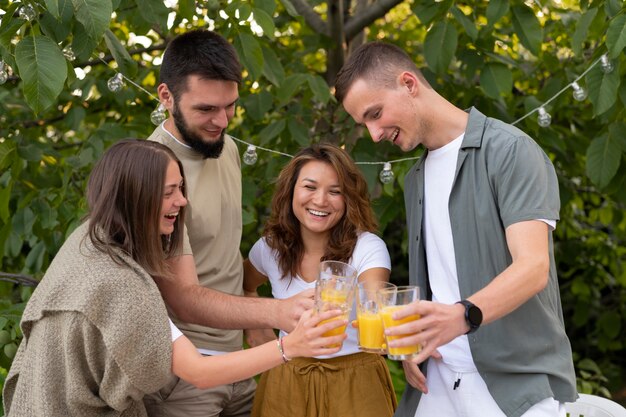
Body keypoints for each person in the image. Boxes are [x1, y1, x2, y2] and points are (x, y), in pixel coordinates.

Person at [2, 139, 346, 417]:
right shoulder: (120, 284)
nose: (182, 201)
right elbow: (198, 372)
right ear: (134, 196)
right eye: (169, 192)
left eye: (181, 188)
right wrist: (291, 346)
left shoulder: (88, 238)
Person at [334, 42, 577, 417]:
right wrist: (418, 340)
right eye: (364, 123)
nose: (374, 134)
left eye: (375, 114)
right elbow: (438, 284)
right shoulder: (415, 178)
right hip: (436, 382)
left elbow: (532, 269)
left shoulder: (510, 151)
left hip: (515, 387)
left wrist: (462, 316)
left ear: (409, 83)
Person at [144, 30, 314, 416]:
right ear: (166, 96)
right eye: (206, 109)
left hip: (240, 359)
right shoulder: (153, 173)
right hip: (185, 375)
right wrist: (277, 312)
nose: (221, 121)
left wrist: (253, 318)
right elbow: (183, 298)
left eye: (230, 106)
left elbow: (218, 245)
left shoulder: (227, 147)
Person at [244, 143, 398, 417]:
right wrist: (257, 328)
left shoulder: (367, 246)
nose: (321, 200)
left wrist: (381, 318)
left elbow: (375, 295)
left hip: (355, 381)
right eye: (310, 187)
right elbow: (245, 285)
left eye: (335, 192)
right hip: (287, 379)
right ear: (291, 190)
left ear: (348, 198)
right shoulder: (269, 248)